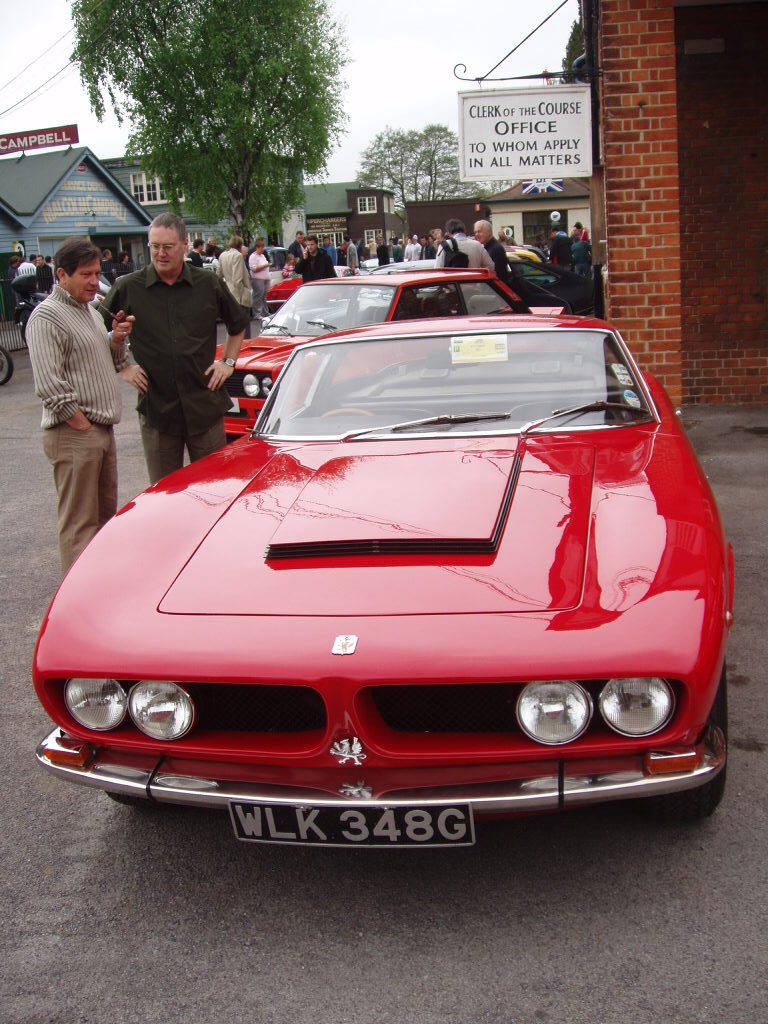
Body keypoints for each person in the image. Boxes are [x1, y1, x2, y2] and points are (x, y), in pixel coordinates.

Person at [102, 213, 248, 485]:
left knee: (214, 489)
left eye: (167, 247)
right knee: (163, 495)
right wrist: (122, 366)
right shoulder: (128, 288)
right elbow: (97, 333)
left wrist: (227, 363)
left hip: (203, 405)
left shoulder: (208, 283)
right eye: (154, 246)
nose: (160, 253)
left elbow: (238, 325)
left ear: (184, 245)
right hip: (158, 410)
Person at [26, 237, 136, 573]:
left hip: (100, 430)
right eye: (86, 274)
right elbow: (49, 384)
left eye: (96, 273)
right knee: (79, 526)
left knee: (103, 521)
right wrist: (82, 425)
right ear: (61, 274)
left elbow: (102, 356)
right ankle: (77, 605)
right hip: (76, 433)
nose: (94, 281)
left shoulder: (86, 310)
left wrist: (115, 338)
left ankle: (97, 590)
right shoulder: (46, 317)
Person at [218, 235, 253, 340]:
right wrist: (244, 293)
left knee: (232, 325)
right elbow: (237, 279)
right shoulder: (238, 256)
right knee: (244, 325)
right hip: (239, 294)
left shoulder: (222, 255)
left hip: (228, 291)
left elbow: (218, 275)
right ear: (240, 245)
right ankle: (245, 345)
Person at [248, 238, 271, 323]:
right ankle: (257, 313)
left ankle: (265, 312)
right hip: (258, 278)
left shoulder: (262, 256)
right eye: (261, 247)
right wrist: (265, 266)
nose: (263, 249)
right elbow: (254, 269)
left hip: (265, 278)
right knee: (258, 296)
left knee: (264, 296)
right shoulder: (253, 256)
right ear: (257, 247)